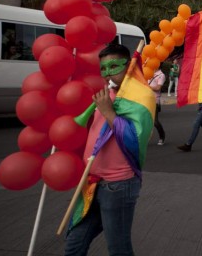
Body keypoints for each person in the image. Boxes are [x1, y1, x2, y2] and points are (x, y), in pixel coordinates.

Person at [64, 43, 155, 256]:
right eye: (103, 68)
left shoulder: (142, 96)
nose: (107, 73)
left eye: (114, 66)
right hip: (91, 183)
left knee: (118, 248)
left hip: (118, 186)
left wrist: (109, 113)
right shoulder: (107, 94)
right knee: (74, 245)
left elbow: (134, 140)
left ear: (129, 66)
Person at [149, 67, 166, 145]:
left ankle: (162, 136)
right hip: (145, 99)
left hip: (155, 100)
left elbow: (158, 87)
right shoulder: (148, 72)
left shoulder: (161, 75)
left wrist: (147, 86)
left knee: (155, 121)